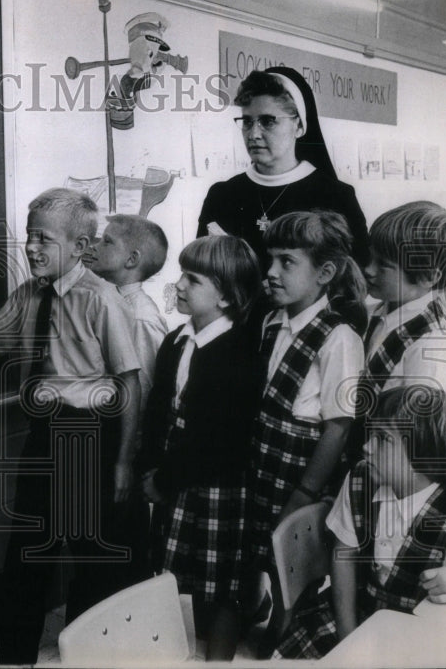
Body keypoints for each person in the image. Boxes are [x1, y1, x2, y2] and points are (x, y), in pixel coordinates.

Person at [0, 187, 144, 665]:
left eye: (43, 238)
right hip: (43, 439)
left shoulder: (101, 301)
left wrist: (124, 461)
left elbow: (129, 384)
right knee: (27, 555)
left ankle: (89, 655)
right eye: (28, 237)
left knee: (91, 559)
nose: (31, 247)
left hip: (90, 438)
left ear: (81, 247)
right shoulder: (28, 295)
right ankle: (15, 659)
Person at [275, 386, 446, 659]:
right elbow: (344, 557)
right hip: (354, 616)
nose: (366, 447)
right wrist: (349, 638)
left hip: (414, 643)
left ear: (423, 456)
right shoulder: (361, 480)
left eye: (383, 439)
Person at [243, 210, 366, 648]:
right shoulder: (271, 323)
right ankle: (264, 619)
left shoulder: (340, 339)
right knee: (263, 557)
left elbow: (338, 427)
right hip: (263, 463)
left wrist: (306, 492)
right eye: (269, 260)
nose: (271, 272)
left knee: (293, 571)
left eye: (287, 262)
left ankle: (283, 639)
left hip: (300, 476)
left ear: (325, 273)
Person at [137, 235, 264, 660]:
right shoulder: (176, 340)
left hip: (215, 484)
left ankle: (219, 659)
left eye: (192, 279)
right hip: (173, 478)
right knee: (175, 576)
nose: (180, 285)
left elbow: (219, 439)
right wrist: (151, 469)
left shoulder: (239, 353)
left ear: (227, 295)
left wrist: (167, 478)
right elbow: (158, 409)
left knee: (221, 584)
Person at [198, 67, 370, 268]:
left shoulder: (336, 196)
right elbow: (201, 270)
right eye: (247, 122)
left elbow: (354, 278)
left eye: (267, 121)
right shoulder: (222, 195)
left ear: (299, 126)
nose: (253, 134)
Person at [352, 201, 446, 461]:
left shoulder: (439, 346)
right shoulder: (375, 314)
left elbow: (425, 443)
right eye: (370, 256)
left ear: (429, 277)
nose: (368, 270)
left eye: (384, 265)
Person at [87, 213, 170, 410]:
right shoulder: (105, 302)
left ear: (132, 259)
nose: (94, 247)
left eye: (107, 242)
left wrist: (131, 441)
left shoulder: (140, 318)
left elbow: (142, 394)